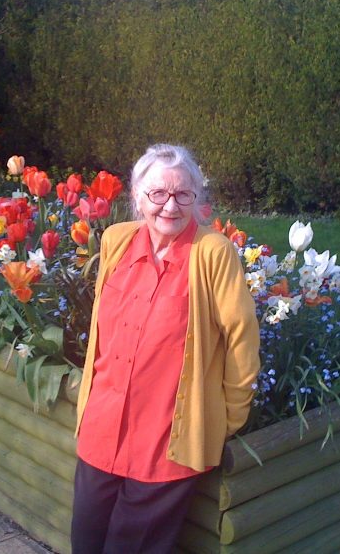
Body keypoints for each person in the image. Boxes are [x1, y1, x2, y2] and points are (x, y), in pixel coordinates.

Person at [71, 144, 260, 554]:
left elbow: (242, 336)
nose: (170, 206)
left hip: (164, 441)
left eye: (183, 195)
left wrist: (229, 415)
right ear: (138, 196)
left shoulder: (213, 253)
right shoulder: (116, 240)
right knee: (84, 543)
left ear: (197, 199)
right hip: (102, 428)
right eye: (158, 194)